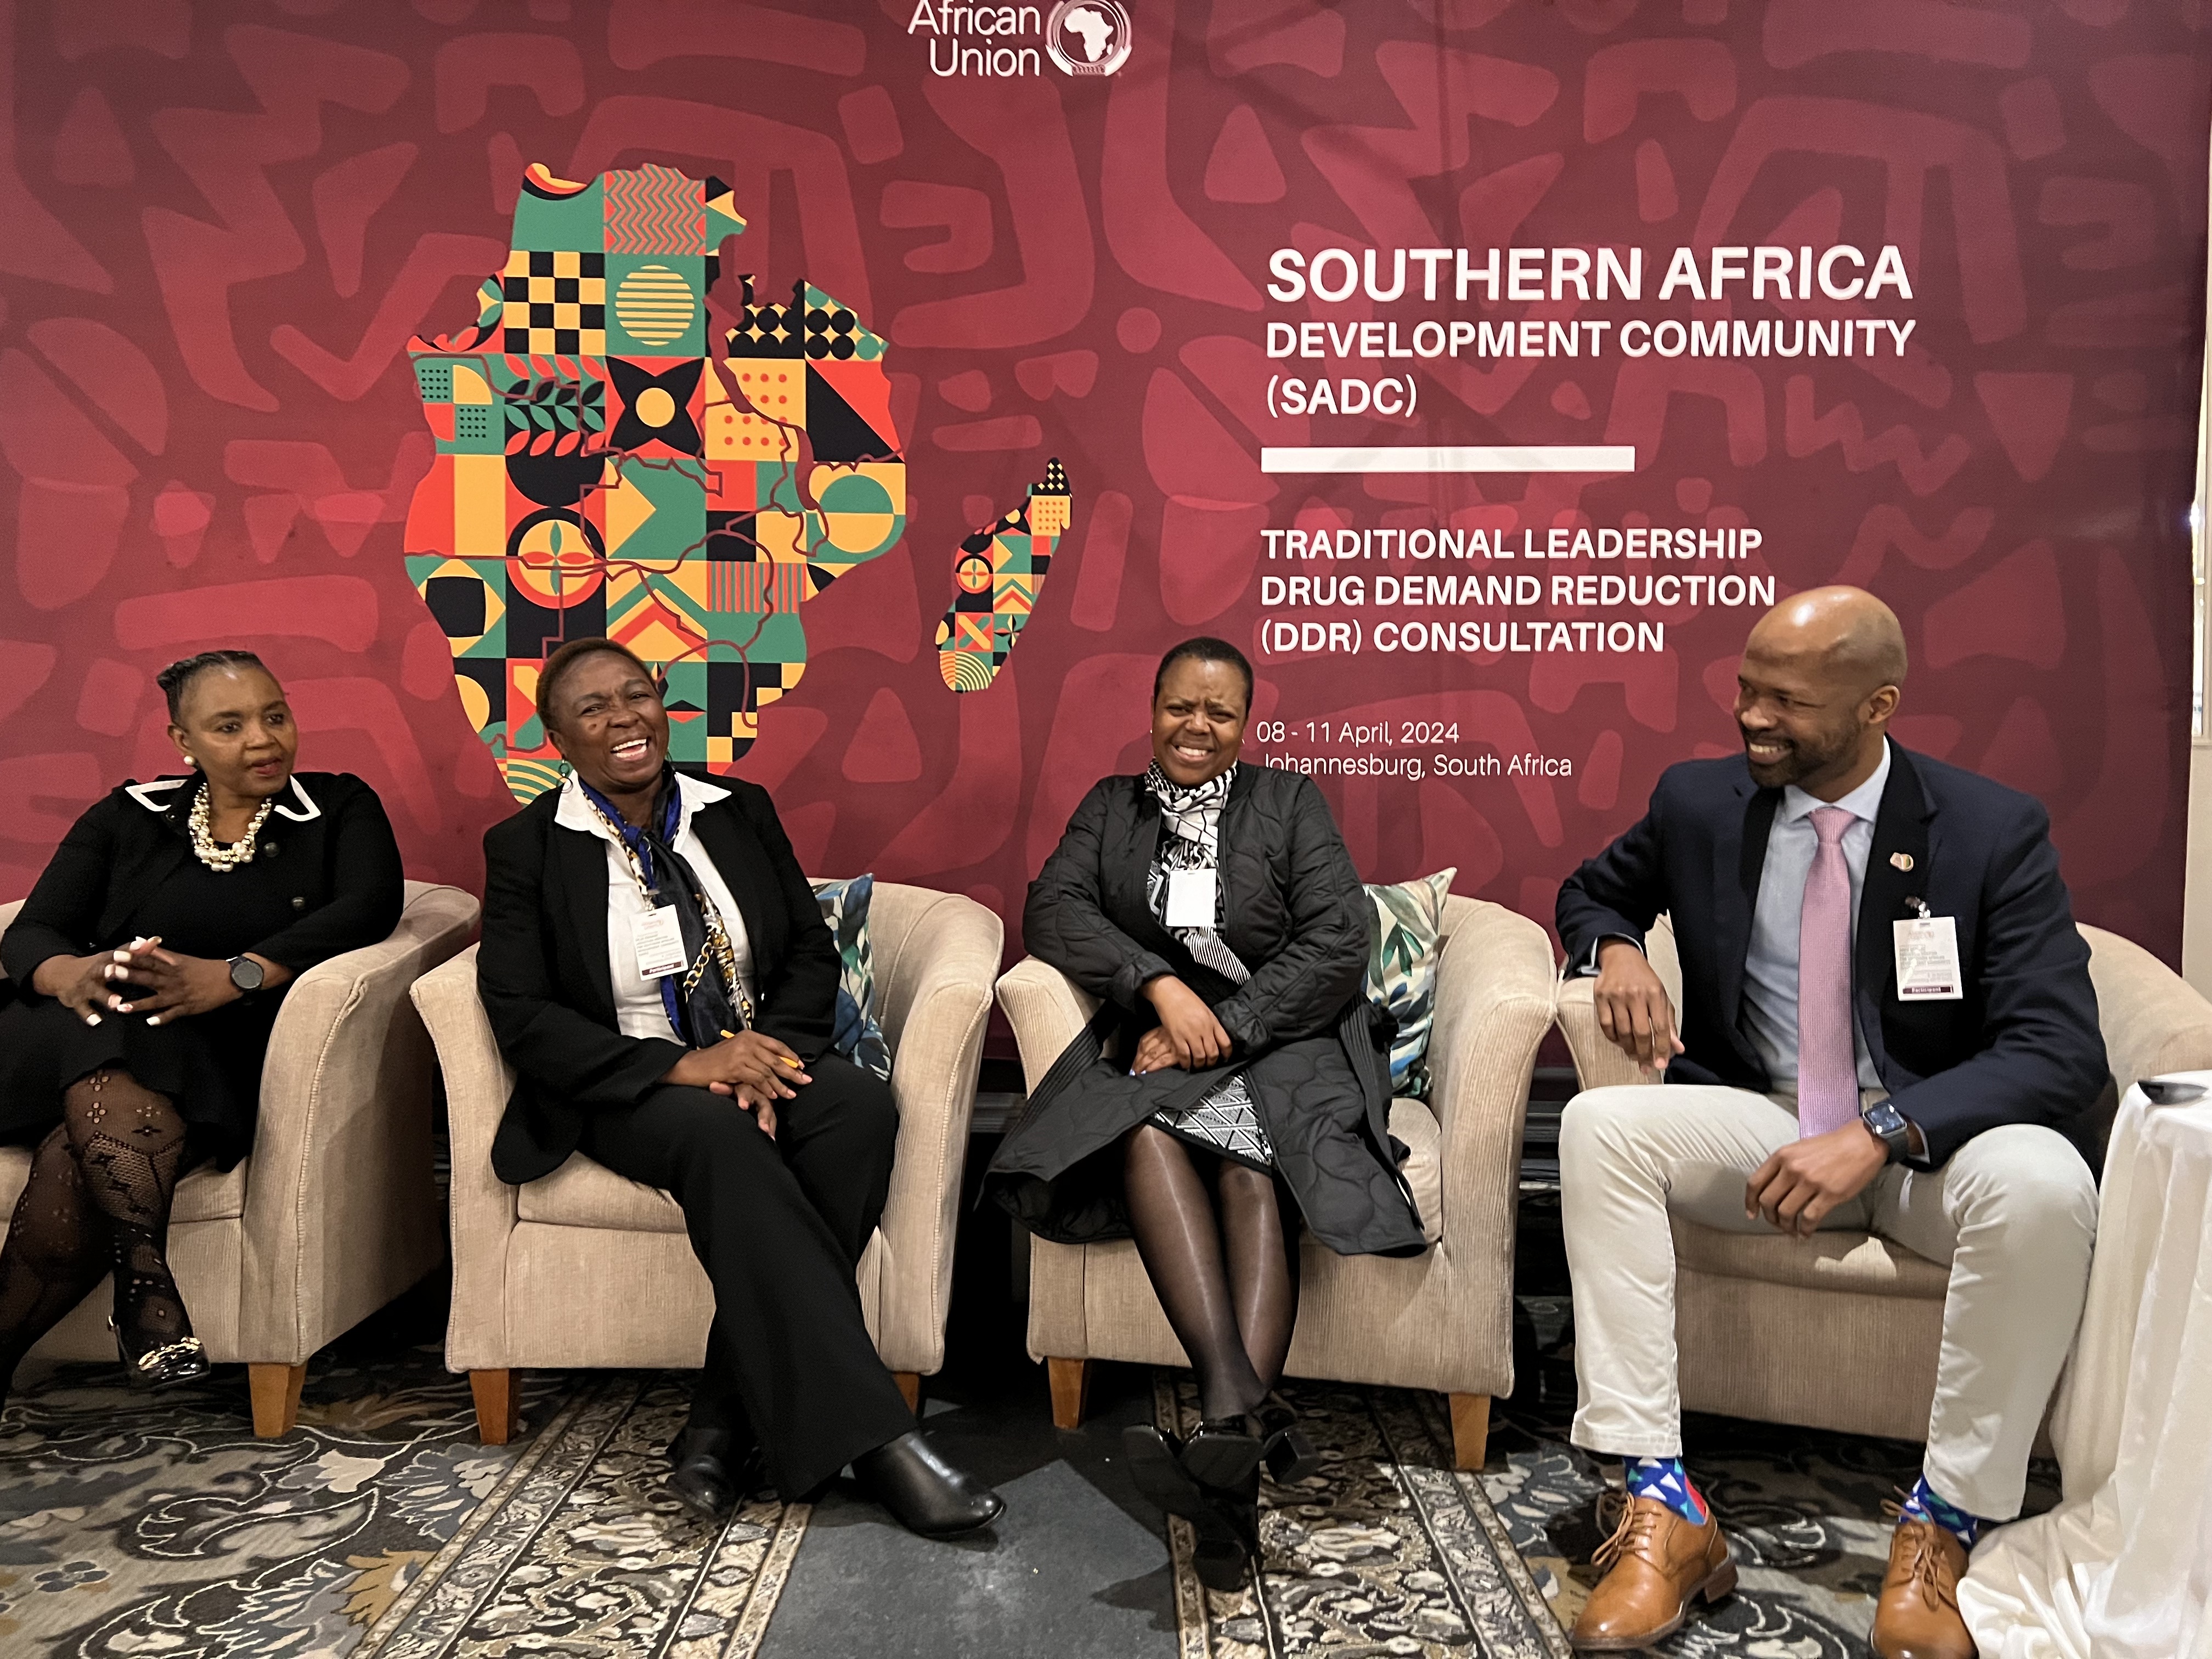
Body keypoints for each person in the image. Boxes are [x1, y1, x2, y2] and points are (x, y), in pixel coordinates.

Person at [1554, 587, 2104, 1659]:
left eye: (1788, 702)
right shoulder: (1700, 801)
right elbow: (1593, 891)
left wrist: (1882, 1131)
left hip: (1931, 1148)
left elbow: (2060, 1047)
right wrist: (1617, 951)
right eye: (1746, 688)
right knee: (1598, 1127)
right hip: (1764, 1121)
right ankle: (1660, 1504)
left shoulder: (1989, 830)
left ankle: (1945, 1523)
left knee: (2046, 1184)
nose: (1752, 717)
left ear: (1876, 706)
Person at [474, 637, 1002, 1537]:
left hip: (758, 1053)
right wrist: (684, 1067)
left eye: (636, 695)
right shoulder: (527, 846)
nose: (623, 718)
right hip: (627, 1086)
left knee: (856, 1110)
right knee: (716, 1137)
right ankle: (880, 1440)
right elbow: (520, 1010)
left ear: (663, 702)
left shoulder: (737, 809)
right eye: (593, 709)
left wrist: (767, 1057)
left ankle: (719, 1424)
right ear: (557, 739)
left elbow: (808, 952)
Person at [989, 636, 1424, 1590]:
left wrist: (1225, 1026)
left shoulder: (1290, 802)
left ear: (1246, 723)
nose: (1198, 727)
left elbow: (1338, 939)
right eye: (1181, 707)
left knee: (1249, 1163)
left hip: (1288, 1034)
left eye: (1220, 713)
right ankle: (1239, 1426)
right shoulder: (1112, 807)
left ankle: (1227, 1430)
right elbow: (1053, 909)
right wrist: (1158, 988)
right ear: (1152, 710)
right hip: (1161, 1032)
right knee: (1143, 1130)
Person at [0, 651, 404, 1403]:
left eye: (275, 716)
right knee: (121, 1010)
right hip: (79, 1033)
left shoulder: (338, 807)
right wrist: (72, 974)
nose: (263, 740)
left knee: (73, 1166)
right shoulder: (129, 815)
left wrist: (236, 975)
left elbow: (369, 906)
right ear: (182, 741)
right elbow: (33, 932)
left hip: (212, 1056)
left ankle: (127, 1293)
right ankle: (145, 1284)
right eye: (230, 726)